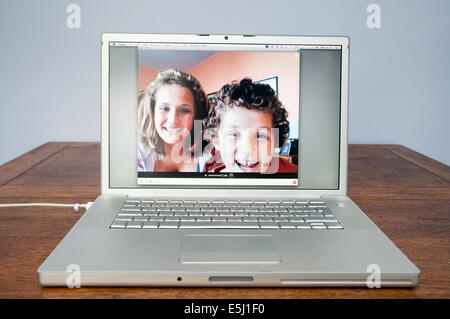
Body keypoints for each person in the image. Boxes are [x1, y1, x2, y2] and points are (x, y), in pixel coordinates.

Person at [203, 78, 297, 173]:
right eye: (234, 134)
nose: (248, 149)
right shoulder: (206, 185)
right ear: (217, 141)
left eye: (260, 136)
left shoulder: (293, 173)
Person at [138, 69, 208, 172]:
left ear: (196, 115)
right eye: (164, 108)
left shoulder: (212, 154)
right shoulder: (136, 155)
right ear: (153, 112)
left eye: (184, 110)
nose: (173, 120)